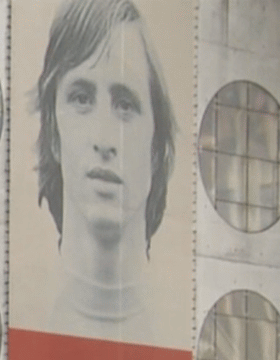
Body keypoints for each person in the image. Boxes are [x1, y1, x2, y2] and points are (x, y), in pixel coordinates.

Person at [34, 0, 176, 338]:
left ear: (156, 149)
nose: (104, 140)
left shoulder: (176, 334)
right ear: (54, 133)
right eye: (82, 98)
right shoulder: (28, 315)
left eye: (125, 104)